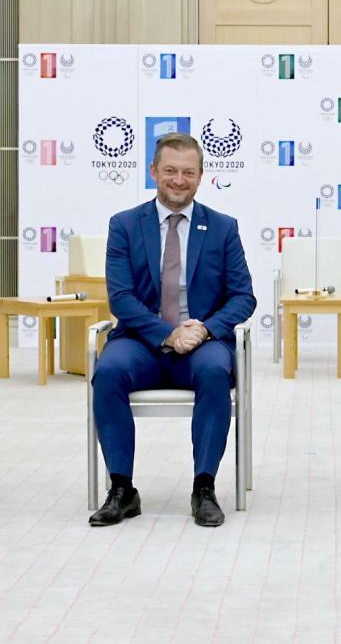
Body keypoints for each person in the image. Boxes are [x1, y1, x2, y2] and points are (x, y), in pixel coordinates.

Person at [90, 132, 256, 528]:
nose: (178, 180)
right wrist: (167, 334)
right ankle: (121, 488)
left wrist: (204, 330)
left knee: (217, 371)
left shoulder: (222, 228)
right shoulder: (126, 225)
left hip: (201, 342)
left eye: (188, 172)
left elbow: (243, 297)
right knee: (108, 372)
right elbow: (122, 297)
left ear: (201, 176)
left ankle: (204, 487)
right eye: (169, 171)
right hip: (141, 341)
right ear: (153, 172)